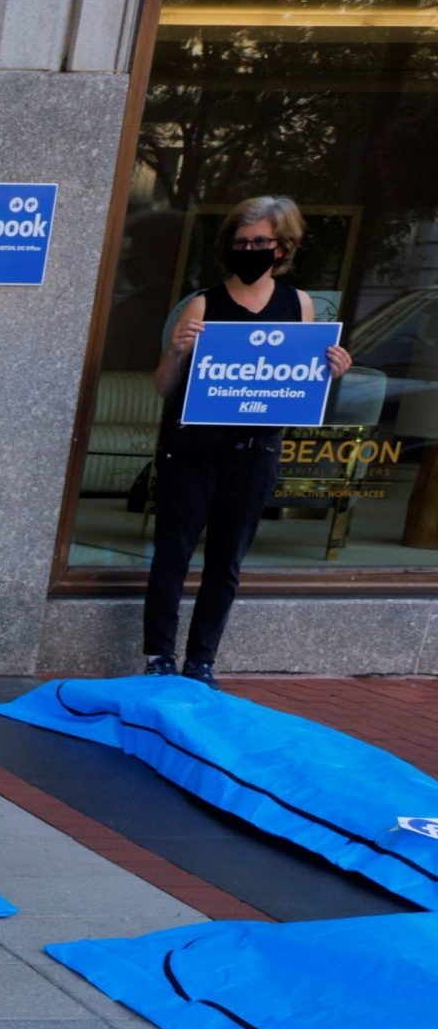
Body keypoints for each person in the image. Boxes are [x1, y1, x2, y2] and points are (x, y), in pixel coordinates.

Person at [142, 194, 350, 682]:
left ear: (282, 247)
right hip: (192, 450)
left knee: (226, 561)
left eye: (260, 241)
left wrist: (330, 371)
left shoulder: (298, 305)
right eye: (241, 241)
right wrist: (175, 353)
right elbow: (164, 386)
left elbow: (298, 379)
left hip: (255, 451)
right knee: (173, 555)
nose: (250, 249)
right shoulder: (203, 302)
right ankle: (158, 657)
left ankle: (201, 660)